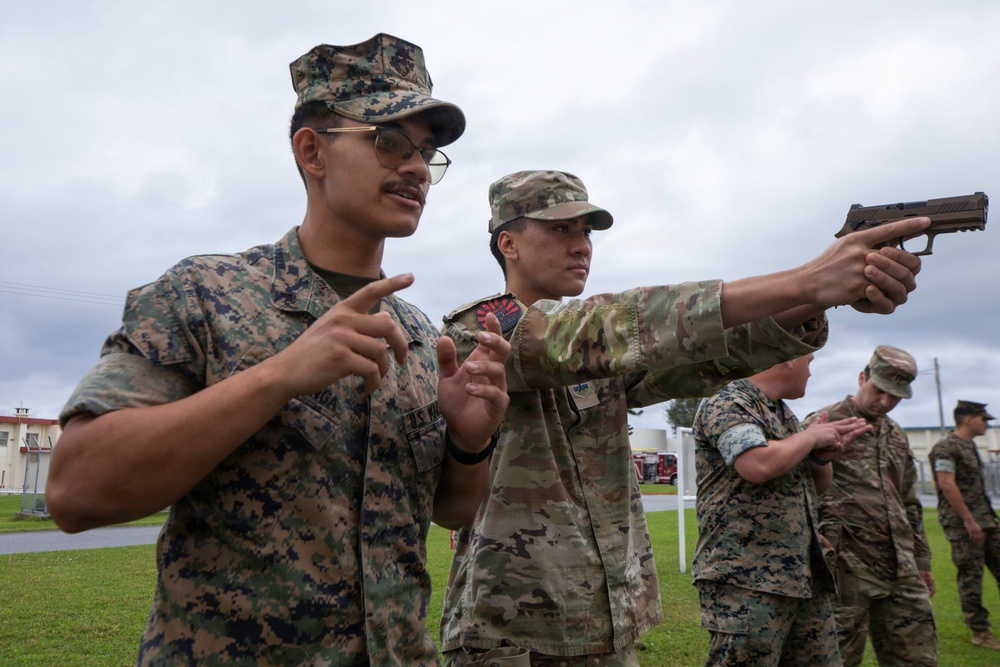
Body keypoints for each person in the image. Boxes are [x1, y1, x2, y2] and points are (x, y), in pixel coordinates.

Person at [45, 34, 513, 666]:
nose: (415, 167)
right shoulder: (205, 295)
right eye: (388, 139)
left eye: (427, 152)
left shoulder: (420, 337)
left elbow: (451, 511)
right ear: (311, 150)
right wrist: (280, 375)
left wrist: (467, 441)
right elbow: (76, 491)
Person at [438, 169, 930, 666]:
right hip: (511, 632)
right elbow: (602, 329)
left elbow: (699, 359)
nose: (582, 245)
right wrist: (806, 278)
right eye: (561, 229)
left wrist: (815, 298)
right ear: (508, 243)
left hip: (603, 625)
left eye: (587, 232)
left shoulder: (597, 354)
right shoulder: (481, 329)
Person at [692, 353, 872, 666]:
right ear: (788, 358)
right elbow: (758, 465)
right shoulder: (729, 402)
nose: (810, 373)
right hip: (746, 580)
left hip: (799, 576)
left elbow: (808, 490)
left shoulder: (783, 415)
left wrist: (820, 457)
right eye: (810, 362)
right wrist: (811, 436)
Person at [806, 345, 938, 666]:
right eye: (880, 391)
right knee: (837, 658)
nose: (885, 402)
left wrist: (921, 558)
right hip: (846, 567)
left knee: (917, 657)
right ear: (862, 376)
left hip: (900, 566)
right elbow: (795, 492)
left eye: (895, 397)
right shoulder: (824, 423)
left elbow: (907, 499)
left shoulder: (896, 434)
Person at [929, 400, 1000, 650]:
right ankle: (979, 632)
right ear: (967, 419)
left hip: (986, 519)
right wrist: (969, 520)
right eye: (983, 418)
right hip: (963, 524)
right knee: (971, 577)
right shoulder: (946, 447)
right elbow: (947, 484)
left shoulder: (968, 445)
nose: (986, 423)